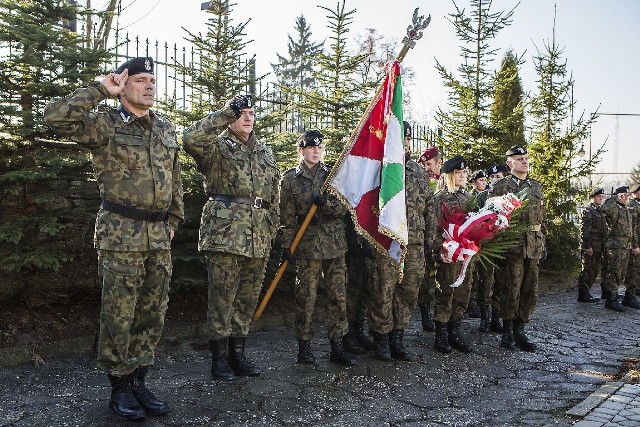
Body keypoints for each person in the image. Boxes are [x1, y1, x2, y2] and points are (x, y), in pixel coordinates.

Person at [44, 57, 184, 420]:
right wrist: (99, 90)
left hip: (158, 234)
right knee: (119, 312)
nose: (150, 86)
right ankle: (119, 386)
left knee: (153, 311)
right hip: (121, 231)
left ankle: (139, 380)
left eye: (153, 80)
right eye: (140, 80)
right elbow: (56, 118)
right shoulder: (105, 122)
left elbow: (175, 177)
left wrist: (174, 218)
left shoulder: (165, 128)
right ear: (123, 85)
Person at [182, 94, 280, 380]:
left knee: (246, 299)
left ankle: (238, 354)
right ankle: (219, 359)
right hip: (225, 234)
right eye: (242, 113)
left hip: (259, 235)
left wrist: (272, 228)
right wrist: (226, 112)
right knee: (222, 298)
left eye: (251, 113)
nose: (248, 117)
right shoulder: (216, 147)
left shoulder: (264, 152)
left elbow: (272, 196)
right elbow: (190, 139)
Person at [278, 130, 356, 367]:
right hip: (307, 244)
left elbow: (344, 208)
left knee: (338, 296)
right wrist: (286, 245)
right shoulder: (290, 179)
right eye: (311, 148)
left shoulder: (332, 175)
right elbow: (287, 217)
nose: (316, 152)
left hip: (334, 243)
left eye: (319, 148)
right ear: (301, 151)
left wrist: (326, 205)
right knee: (306, 297)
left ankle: (337, 346)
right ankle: (304, 346)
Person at [491, 145, 546, 352]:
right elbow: (492, 218)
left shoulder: (536, 186)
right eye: (519, 158)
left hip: (533, 244)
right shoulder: (501, 187)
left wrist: (543, 241)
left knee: (529, 288)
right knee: (509, 288)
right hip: (511, 245)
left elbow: (543, 218)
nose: (524, 161)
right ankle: (507, 331)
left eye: (526, 158)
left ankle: (520, 330)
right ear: (509, 163)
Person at [432, 155, 475, 354]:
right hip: (448, 255)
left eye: (464, 172)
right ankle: (441, 336)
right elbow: (433, 229)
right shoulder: (440, 198)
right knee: (446, 293)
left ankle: (454, 333)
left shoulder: (468, 198)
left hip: (465, 255)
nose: (463, 176)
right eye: (458, 173)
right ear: (449, 175)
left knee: (463, 293)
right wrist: (440, 250)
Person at [415, 145, 443, 332]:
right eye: (424, 164)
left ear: (439, 163)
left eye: (429, 163)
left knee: (440, 278)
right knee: (425, 278)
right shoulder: (421, 181)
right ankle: (425, 314)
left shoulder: (445, 180)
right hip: (425, 234)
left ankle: (439, 314)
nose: (426, 167)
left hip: (443, 237)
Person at [601, 186, 639, 311]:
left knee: (621, 273)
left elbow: (632, 230)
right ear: (619, 196)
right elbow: (604, 209)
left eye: (627, 195)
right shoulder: (614, 208)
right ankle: (611, 299)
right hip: (616, 246)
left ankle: (618, 296)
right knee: (614, 272)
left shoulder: (625, 209)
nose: (627, 197)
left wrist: (634, 245)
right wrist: (614, 199)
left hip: (625, 246)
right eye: (624, 195)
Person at [576, 188, 608, 303]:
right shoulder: (588, 211)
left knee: (594, 270)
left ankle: (586, 292)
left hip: (600, 246)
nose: (601, 198)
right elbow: (584, 230)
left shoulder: (600, 211)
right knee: (588, 269)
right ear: (593, 197)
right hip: (591, 246)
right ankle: (583, 294)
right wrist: (587, 246)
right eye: (599, 196)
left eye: (602, 196)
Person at [466, 170, 488, 320]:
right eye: (481, 180)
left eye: (485, 180)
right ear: (473, 182)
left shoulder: (488, 196)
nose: (484, 182)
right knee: (472, 273)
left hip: (485, 240)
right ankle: (471, 302)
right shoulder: (471, 197)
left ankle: (479, 302)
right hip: (473, 241)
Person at [625, 185, 640, 302]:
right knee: (633, 269)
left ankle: (636, 290)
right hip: (635, 243)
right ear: (635, 193)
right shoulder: (632, 206)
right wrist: (635, 245)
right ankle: (629, 295)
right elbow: (632, 228)